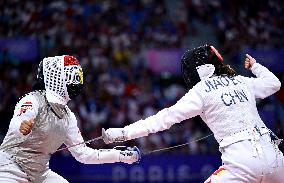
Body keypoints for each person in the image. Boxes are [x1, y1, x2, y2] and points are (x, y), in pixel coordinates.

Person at [102, 44, 284, 183]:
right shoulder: (240, 81)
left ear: (200, 69)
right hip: (275, 158)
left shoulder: (202, 90)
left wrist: (124, 133)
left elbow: (163, 119)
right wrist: (255, 66)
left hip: (241, 163)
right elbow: (274, 84)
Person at [0, 55, 140, 183]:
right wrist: (23, 127)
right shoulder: (33, 100)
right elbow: (19, 125)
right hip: (10, 168)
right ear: (57, 77)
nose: (76, 82)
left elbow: (84, 154)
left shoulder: (68, 116)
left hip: (40, 174)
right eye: (71, 76)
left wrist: (121, 155)